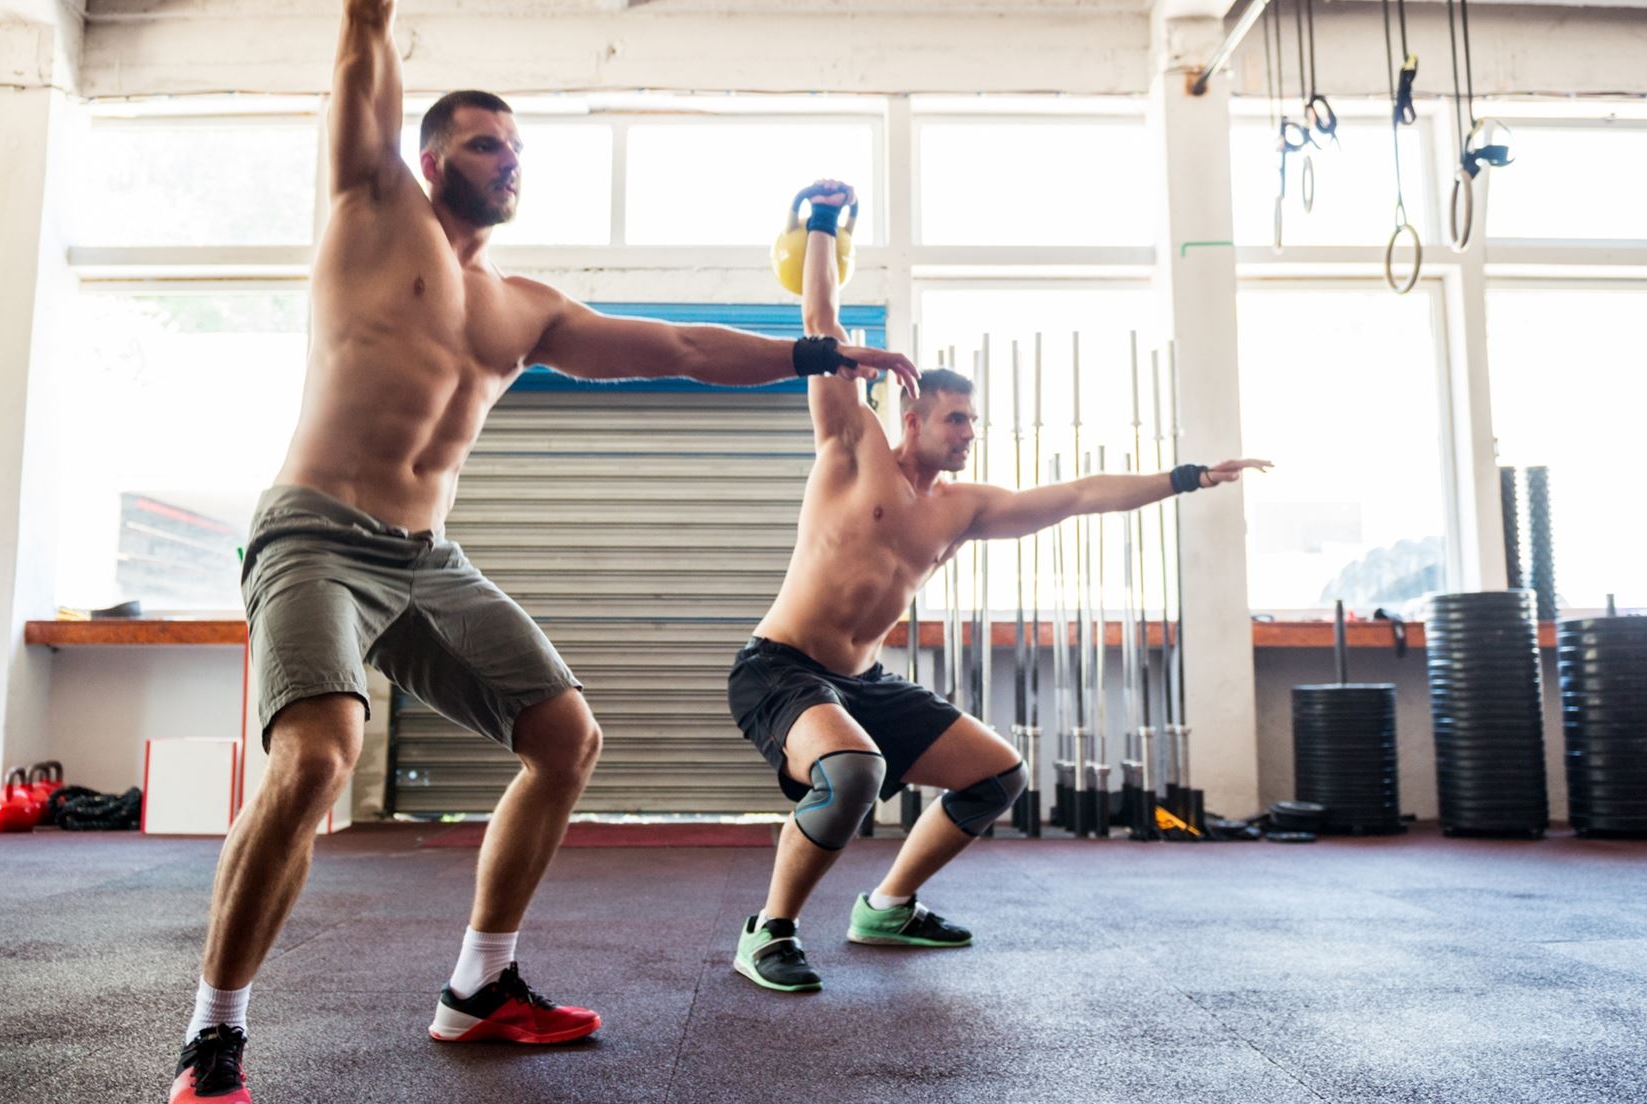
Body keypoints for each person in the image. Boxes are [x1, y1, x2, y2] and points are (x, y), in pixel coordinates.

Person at [167, 7, 919, 1101]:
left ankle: (479, 990)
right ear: (429, 159)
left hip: (427, 556)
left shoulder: (522, 306)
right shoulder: (371, 210)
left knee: (564, 738)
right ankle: (214, 1033)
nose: (507, 158)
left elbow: (679, 347)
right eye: (484, 143)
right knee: (320, 758)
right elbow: (360, 50)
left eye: (516, 147)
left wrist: (818, 348)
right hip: (316, 533)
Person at [727, 180, 1269, 992]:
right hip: (780, 668)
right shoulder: (852, 446)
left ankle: (888, 905)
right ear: (911, 415)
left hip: (860, 682)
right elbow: (822, 329)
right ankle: (769, 930)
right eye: (956, 420)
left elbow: (1083, 494)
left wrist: (1186, 477)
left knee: (998, 774)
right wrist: (825, 227)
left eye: (975, 423)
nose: (969, 434)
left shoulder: (964, 509)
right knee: (853, 777)